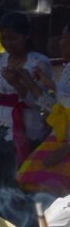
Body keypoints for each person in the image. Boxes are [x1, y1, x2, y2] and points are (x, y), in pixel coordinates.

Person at [0, 12, 52, 163]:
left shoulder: (39, 62)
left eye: (13, 38)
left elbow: (42, 103)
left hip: (28, 122)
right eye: (4, 38)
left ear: (26, 35)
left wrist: (17, 84)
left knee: (9, 155)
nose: (8, 43)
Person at [19, 22, 70, 195]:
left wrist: (66, 148)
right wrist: (29, 83)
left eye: (65, 38)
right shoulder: (67, 69)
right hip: (59, 136)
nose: (60, 42)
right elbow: (56, 108)